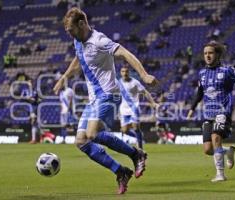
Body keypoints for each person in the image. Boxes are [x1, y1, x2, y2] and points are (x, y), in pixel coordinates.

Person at [53, 7, 158, 194]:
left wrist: (144, 75)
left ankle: (136, 154)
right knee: (81, 141)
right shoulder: (79, 41)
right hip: (94, 99)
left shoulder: (99, 40)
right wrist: (64, 77)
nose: (70, 35)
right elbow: (78, 59)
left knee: (92, 134)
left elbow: (125, 53)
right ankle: (121, 171)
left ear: (82, 24)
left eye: (71, 31)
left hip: (109, 94)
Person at [187, 41, 235, 182]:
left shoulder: (227, 71)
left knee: (216, 138)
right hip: (208, 114)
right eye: (205, 53)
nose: (207, 56)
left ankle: (220, 174)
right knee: (208, 149)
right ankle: (228, 151)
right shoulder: (202, 73)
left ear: (218, 54)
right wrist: (192, 108)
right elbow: (200, 92)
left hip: (223, 112)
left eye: (210, 53)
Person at [119, 66, 157, 149]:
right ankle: (138, 136)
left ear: (129, 72)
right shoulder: (118, 82)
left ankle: (140, 148)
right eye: (123, 71)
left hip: (134, 107)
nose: (125, 73)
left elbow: (145, 92)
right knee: (124, 130)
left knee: (135, 127)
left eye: (126, 71)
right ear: (120, 73)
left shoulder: (135, 82)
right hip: (123, 109)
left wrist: (153, 103)